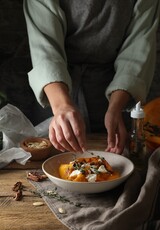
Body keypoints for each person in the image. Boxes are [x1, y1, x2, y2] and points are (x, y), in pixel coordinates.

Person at [23, 0, 160, 154]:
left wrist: (116, 107)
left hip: (115, 96)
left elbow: (138, 47)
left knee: (117, 166)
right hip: (54, 96)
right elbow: (45, 51)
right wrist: (61, 106)